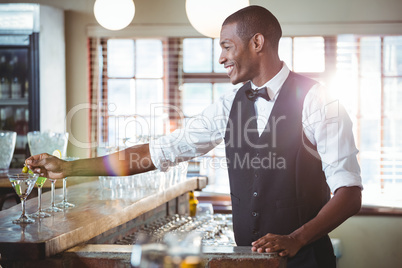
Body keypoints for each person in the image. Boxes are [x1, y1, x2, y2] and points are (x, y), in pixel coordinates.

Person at [26, 5, 362, 268]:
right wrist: (71, 169)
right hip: (245, 261)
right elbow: (158, 152)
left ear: (257, 43)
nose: (221, 58)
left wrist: (297, 238)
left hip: (306, 261)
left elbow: (349, 193)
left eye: (227, 46)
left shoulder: (320, 101)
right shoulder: (227, 104)